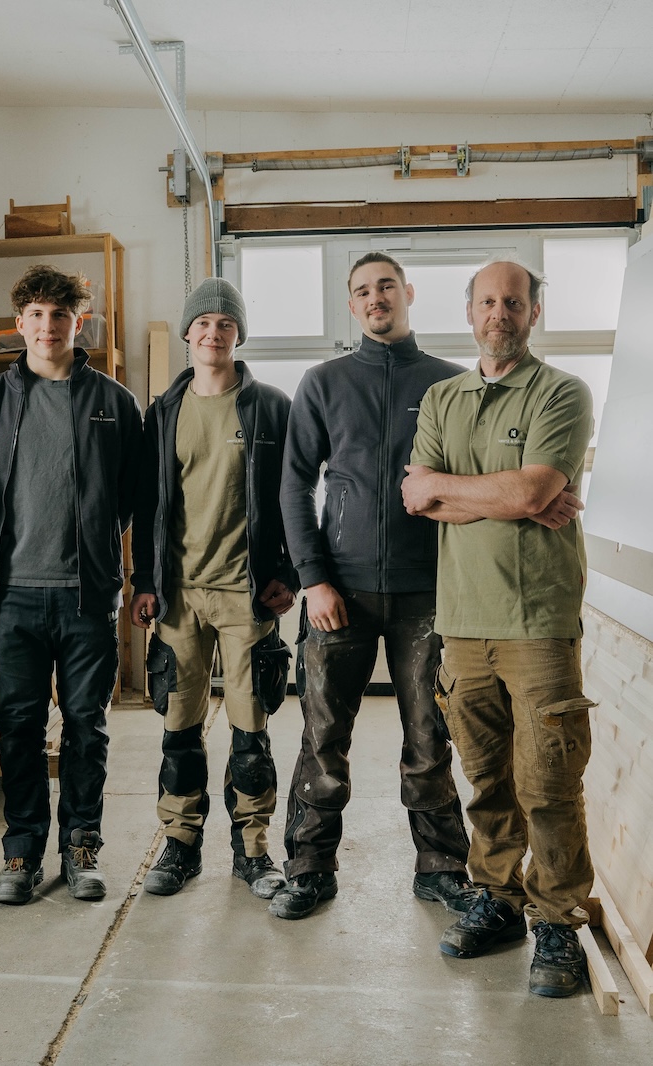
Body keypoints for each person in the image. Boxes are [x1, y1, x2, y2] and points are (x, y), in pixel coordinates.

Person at [401, 258, 595, 998]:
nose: (499, 314)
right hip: (463, 622)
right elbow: (416, 497)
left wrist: (506, 493)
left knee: (548, 782)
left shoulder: (561, 393)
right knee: (485, 780)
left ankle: (557, 920)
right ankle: (501, 900)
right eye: (487, 301)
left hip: (538, 623)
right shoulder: (443, 396)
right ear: (470, 310)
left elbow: (537, 487)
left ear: (533, 312)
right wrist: (504, 498)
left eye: (513, 302)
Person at [272, 253, 473, 921]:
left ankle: (442, 866)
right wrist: (314, 579)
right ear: (352, 305)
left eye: (386, 285)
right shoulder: (323, 382)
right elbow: (295, 485)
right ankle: (308, 865)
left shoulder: (450, 384)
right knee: (323, 737)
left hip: (430, 595)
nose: (376, 297)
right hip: (342, 594)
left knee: (430, 733)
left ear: (408, 292)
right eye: (362, 290)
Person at [0, 264, 142, 905]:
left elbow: (132, 498)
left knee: (87, 725)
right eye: (35, 315)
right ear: (19, 324)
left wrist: (103, 559)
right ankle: (21, 851)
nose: (47, 326)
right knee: (18, 726)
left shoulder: (115, 403)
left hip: (86, 594)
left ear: (78, 322)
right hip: (10, 593)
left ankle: (83, 845)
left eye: (59, 315)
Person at [131, 277, 296, 899]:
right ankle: (180, 845)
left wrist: (292, 573)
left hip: (246, 593)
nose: (213, 332)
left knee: (250, 731)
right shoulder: (164, 411)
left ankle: (253, 850)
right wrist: (145, 581)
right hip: (178, 597)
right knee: (179, 728)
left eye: (226, 324)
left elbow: (296, 494)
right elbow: (148, 504)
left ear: (238, 334)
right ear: (188, 333)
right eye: (203, 323)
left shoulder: (271, 407)